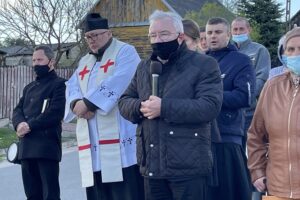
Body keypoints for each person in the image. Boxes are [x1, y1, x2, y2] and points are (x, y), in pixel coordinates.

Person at [118, 10, 223, 200]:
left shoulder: (204, 64)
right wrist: (142, 106)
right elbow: (124, 101)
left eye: (164, 34)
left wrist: (164, 108)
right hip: (152, 166)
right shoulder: (144, 67)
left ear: (180, 36)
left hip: (187, 167)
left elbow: (209, 106)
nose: (157, 40)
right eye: (153, 35)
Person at [64, 13, 144, 200]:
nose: (91, 40)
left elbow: (121, 80)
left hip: (119, 131)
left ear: (108, 33)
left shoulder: (126, 52)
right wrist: (77, 104)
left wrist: (90, 103)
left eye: (96, 35)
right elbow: (72, 85)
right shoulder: (85, 61)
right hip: (92, 136)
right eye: (88, 37)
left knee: (125, 191)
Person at [205, 17, 255, 200]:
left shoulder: (241, 61)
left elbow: (245, 97)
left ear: (228, 34)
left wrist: (210, 98)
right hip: (200, 138)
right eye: (209, 32)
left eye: (218, 32)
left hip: (227, 137)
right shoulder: (199, 61)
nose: (213, 36)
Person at [247, 27, 300, 199]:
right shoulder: (272, 87)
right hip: (277, 188)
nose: (295, 54)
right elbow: (255, 134)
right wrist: (257, 171)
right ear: (283, 55)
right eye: (290, 49)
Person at [12, 45, 66, 200]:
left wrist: (29, 125)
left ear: (51, 62)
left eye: (40, 59)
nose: (36, 63)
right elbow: (18, 110)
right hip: (26, 148)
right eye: (34, 60)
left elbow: (55, 113)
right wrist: (19, 124)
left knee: (50, 195)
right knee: (32, 195)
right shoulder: (29, 87)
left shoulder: (60, 84)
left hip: (46, 147)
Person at [231, 17, 271, 150]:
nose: (238, 32)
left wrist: (246, 97)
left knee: (251, 153)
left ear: (249, 30)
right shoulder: (228, 51)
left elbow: (262, 77)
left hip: (249, 113)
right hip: (229, 112)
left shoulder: (259, 50)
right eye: (235, 29)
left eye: (241, 29)